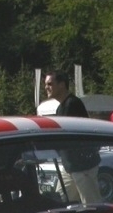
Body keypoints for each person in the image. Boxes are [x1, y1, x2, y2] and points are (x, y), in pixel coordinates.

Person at [44, 70, 102, 203]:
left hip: (83, 166)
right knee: (60, 200)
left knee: (92, 205)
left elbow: (71, 137)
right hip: (70, 166)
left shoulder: (72, 104)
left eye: (50, 84)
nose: (46, 87)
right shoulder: (61, 108)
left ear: (62, 85)